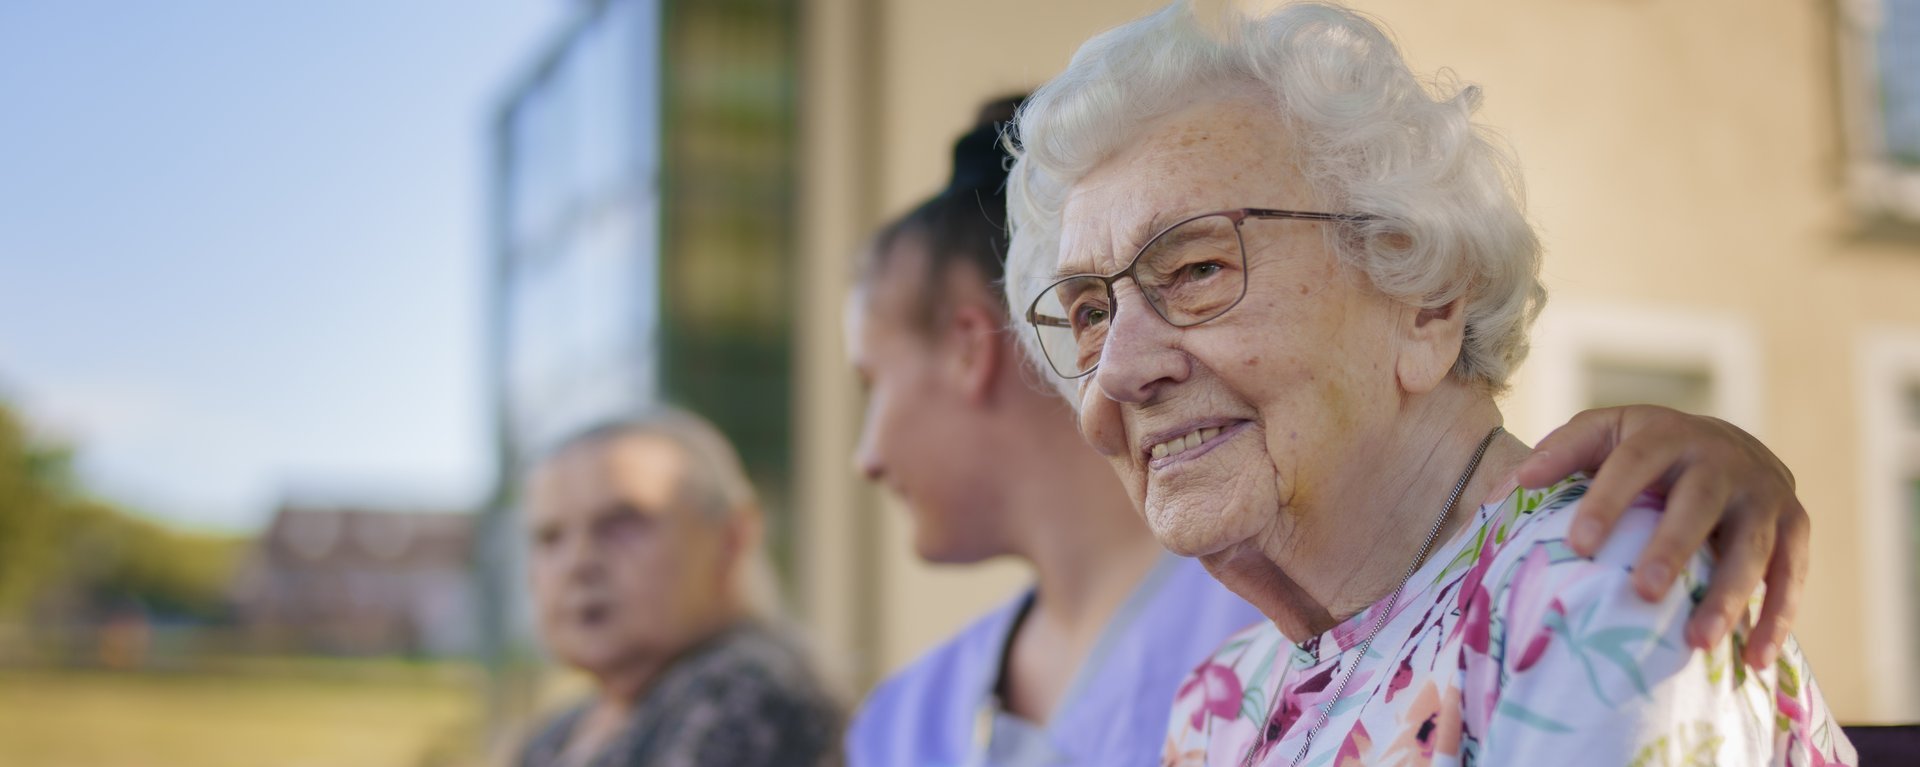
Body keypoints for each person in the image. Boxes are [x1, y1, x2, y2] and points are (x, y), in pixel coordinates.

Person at [845, 93, 1820, 766]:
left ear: (1427, 299)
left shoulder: (1596, 582)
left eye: (1194, 269)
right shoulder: (1225, 696)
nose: (1120, 371)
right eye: (1091, 312)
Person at [517, 410, 842, 767]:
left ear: (732, 538)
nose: (578, 562)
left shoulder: (752, 703)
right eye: (550, 538)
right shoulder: (558, 734)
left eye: (622, 524)